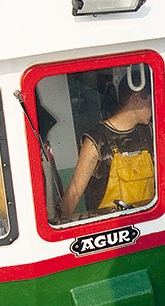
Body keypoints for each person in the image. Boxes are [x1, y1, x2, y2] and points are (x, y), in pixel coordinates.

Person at [58, 79, 155, 219]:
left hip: (147, 221)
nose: (154, 107)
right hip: (111, 228)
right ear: (136, 99)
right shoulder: (95, 141)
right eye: (151, 102)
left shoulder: (149, 131)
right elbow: (73, 195)